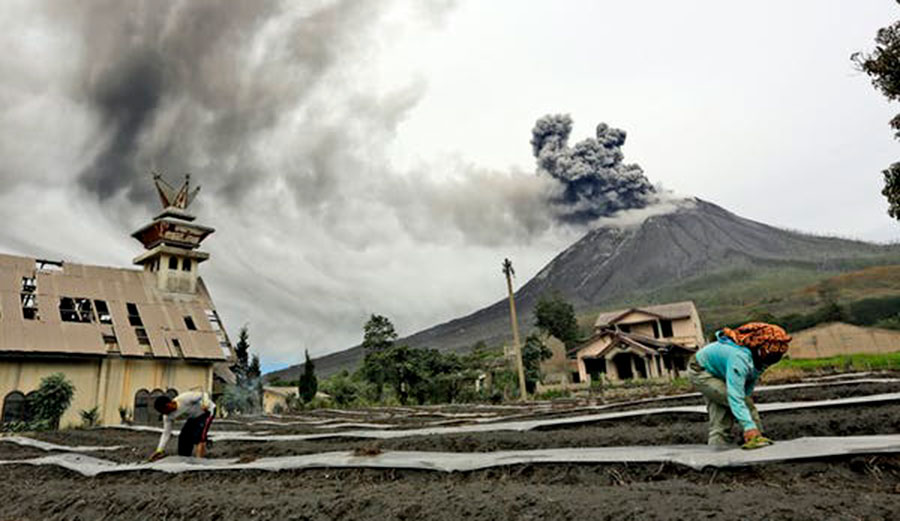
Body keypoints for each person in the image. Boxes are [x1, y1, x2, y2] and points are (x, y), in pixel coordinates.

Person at [687, 322, 791, 449]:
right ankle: (757, 438)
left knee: (721, 419)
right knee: (743, 405)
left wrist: (741, 410)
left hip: (718, 369)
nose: (770, 361)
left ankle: (718, 453)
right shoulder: (739, 358)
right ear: (760, 347)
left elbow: (748, 384)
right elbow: (736, 397)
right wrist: (749, 426)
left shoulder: (760, 358)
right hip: (701, 371)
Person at [148, 390, 215, 461]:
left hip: (207, 412)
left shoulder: (184, 399)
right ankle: (184, 459)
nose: (165, 413)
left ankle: (200, 460)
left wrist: (206, 403)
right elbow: (166, 433)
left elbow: (203, 394)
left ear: (169, 404)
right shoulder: (167, 416)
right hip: (193, 417)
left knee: (199, 436)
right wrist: (159, 450)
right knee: (184, 437)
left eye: (164, 410)